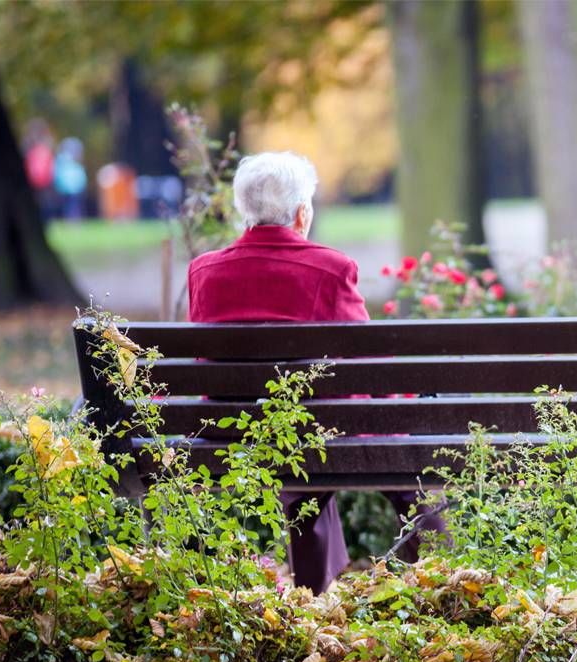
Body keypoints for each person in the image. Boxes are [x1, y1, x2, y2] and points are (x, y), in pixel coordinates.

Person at [187, 151, 445, 593]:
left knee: (305, 461)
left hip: (235, 430)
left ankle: (315, 591)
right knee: (398, 457)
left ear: (243, 213)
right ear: (302, 213)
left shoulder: (203, 271)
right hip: (321, 430)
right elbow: (367, 363)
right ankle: (442, 578)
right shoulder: (331, 269)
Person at [53, 138, 88, 220]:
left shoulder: (66, 161)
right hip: (68, 187)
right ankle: (71, 219)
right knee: (70, 205)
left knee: (73, 205)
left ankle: (73, 219)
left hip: (74, 188)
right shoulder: (63, 160)